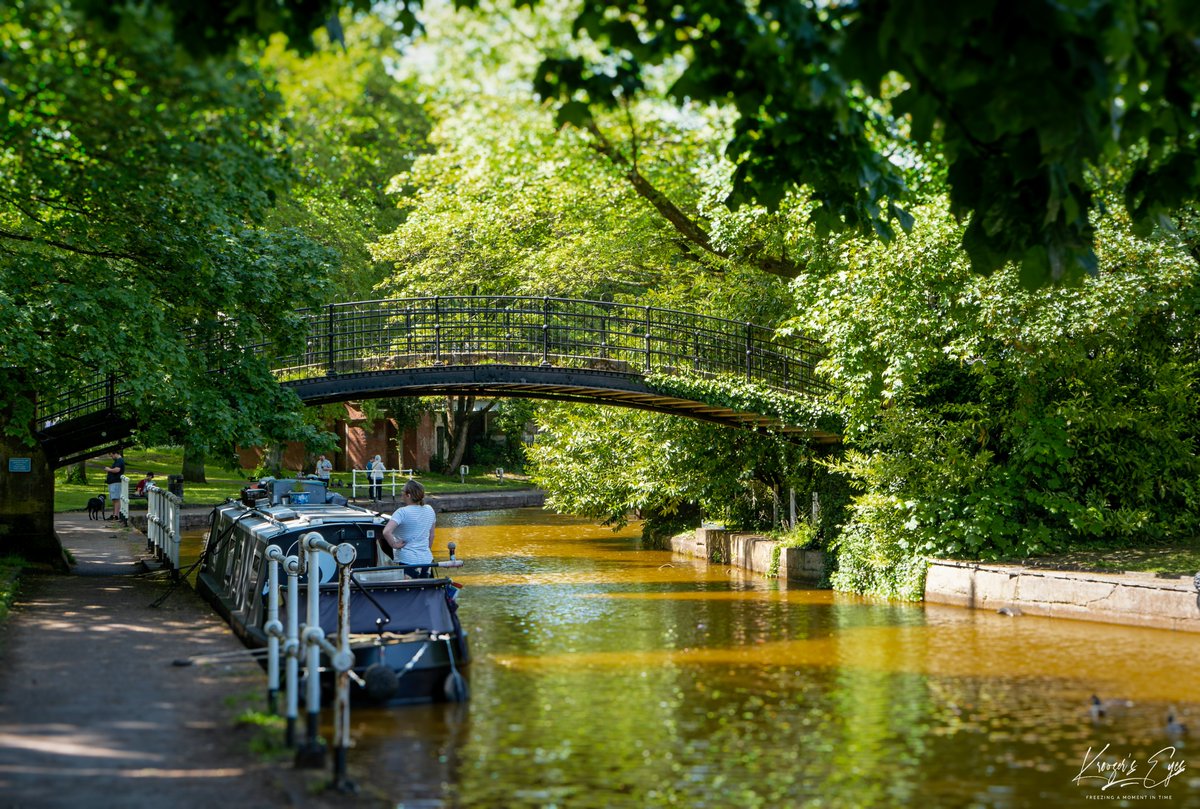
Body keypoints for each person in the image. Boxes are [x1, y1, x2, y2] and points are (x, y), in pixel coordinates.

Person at [382, 479, 435, 577]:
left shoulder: (402, 512)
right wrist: (425, 549)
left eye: (402, 491)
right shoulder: (429, 510)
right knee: (424, 589)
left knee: (409, 590)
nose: (401, 493)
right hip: (426, 560)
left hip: (407, 560)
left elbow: (386, 531)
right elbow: (432, 535)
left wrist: (394, 545)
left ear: (408, 495)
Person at [103, 449, 126, 521]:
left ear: (115, 453)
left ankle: (115, 516)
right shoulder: (117, 461)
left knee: (116, 499)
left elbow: (117, 470)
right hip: (113, 482)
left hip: (116, 482)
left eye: (112, 455)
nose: (111, 457)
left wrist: (108, 469)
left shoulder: (119, 460)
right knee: (114, 499)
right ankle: (114, 514)